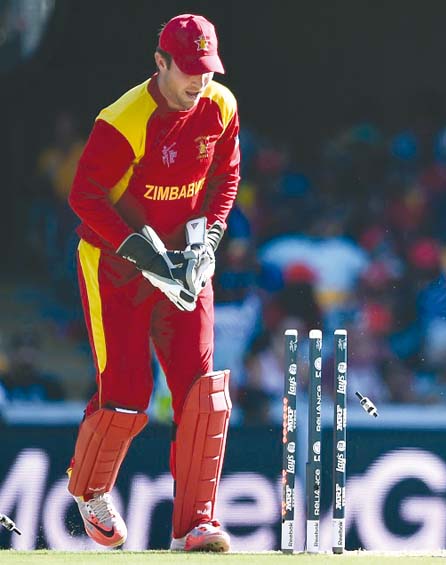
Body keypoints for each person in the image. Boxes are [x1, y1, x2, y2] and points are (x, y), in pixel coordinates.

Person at [66, 14, 240, 552]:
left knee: (200, 391)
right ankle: (91, 491)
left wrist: (208, 242)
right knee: (125, 394)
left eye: (206, 70)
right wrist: (143, 254)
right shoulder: (124, 119)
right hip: (115, 267)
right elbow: (85, 198)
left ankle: (196, 523)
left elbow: (227, 177)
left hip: (185, 265)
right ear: (159, 63)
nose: (198, 82)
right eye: (187, 70)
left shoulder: (221, 105)